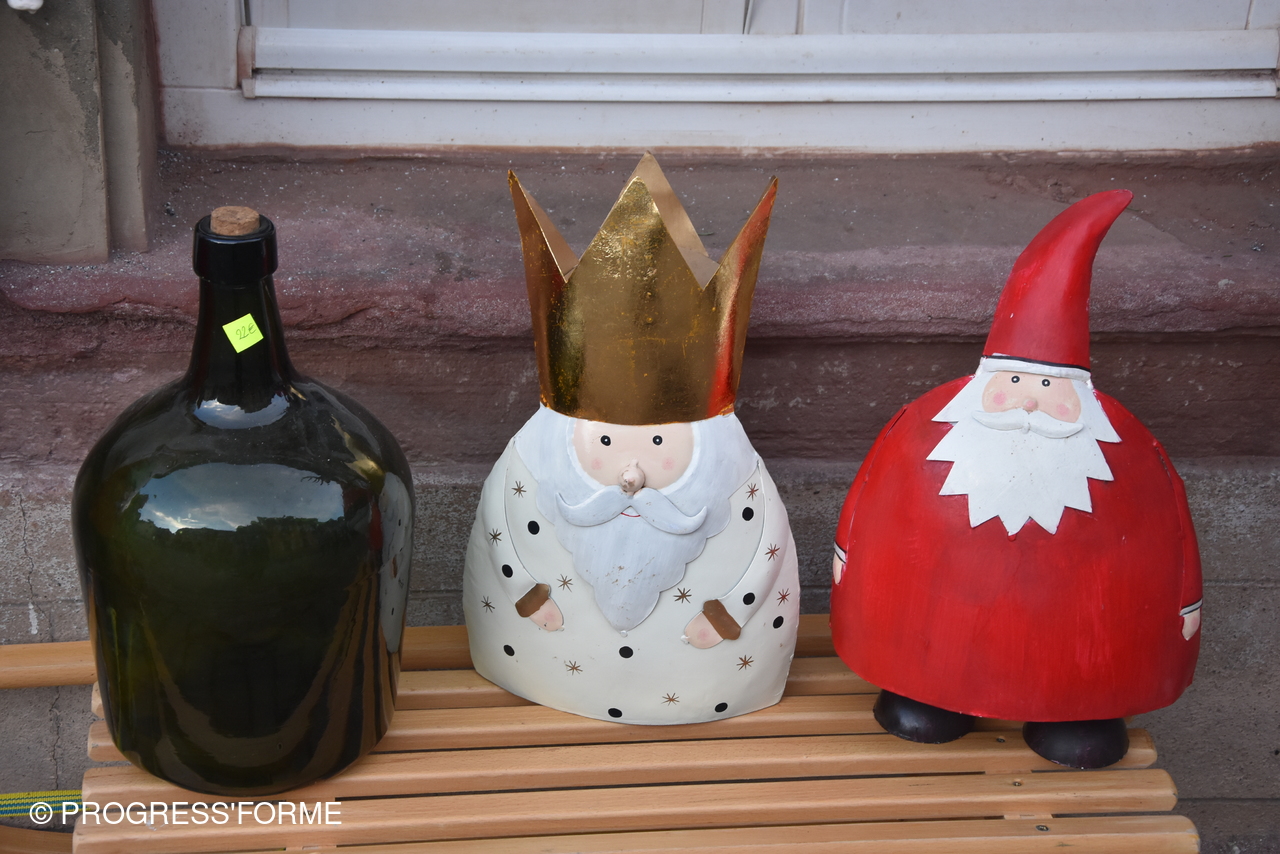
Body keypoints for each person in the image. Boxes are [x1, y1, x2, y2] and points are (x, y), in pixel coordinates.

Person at [830, 190, 1202, 768]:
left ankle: (1080, 712)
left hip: (1077, 646)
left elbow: (1172, 533)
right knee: (930, 657)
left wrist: (1183, 602)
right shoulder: (924, 430)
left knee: (1081, 674)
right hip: (932, 635)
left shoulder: (1125, 450)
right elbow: (865, 505)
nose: (1029, 402)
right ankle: (926, 693)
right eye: (1016, 383)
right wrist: (848, 556)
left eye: (1049, 387)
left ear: (1077, 392)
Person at [464, 155, 799, 725]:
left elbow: (763, 553)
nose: (630, 474)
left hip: (706, 676)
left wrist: (726, 615)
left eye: (659, 446)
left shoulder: (735, 476)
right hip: (539, 662)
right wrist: (527, 594)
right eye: (606, 445)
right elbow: (502, 535)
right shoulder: (532, 461)